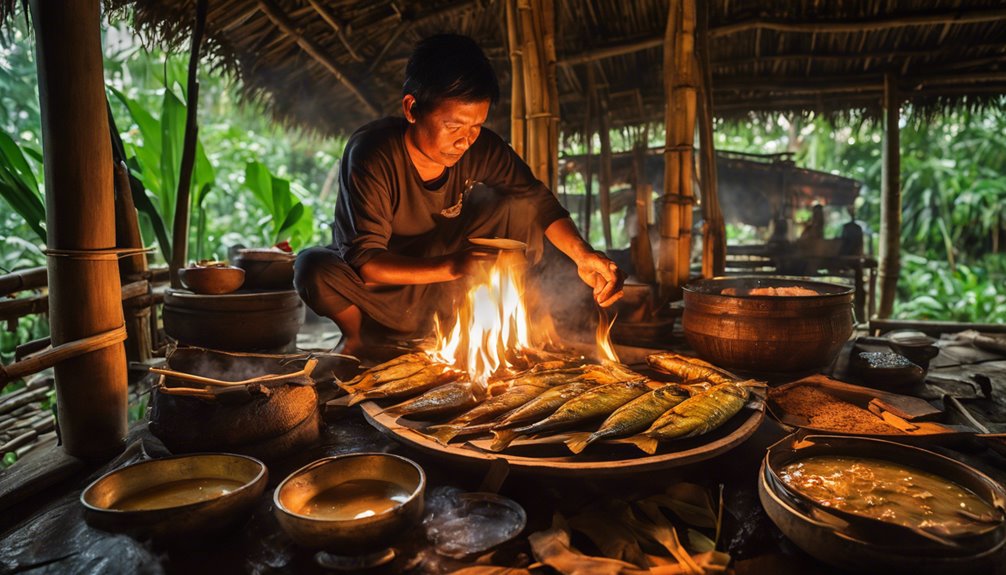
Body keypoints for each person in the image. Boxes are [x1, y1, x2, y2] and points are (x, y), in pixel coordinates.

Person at [295, 34, 624, 355]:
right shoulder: (372, 153)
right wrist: (454, 266)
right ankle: (357, 339)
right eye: (453, 126)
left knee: (521, 209)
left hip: (443, 291)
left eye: (476, 126)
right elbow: (366, 263)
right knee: (312, 268)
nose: (465, 140)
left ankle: (473, 331)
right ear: (412, 109)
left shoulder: (481, 148)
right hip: (384, 287)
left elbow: (538, 200)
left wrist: (583, 255)